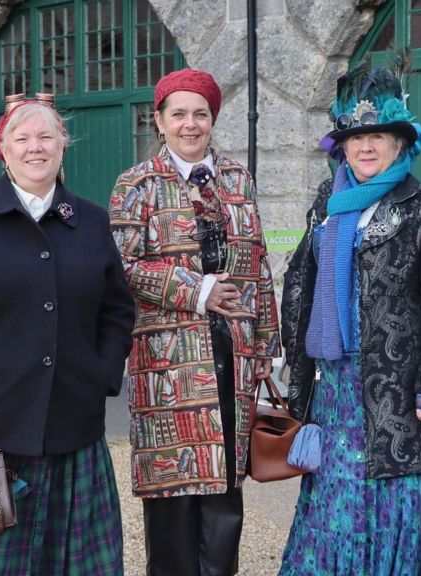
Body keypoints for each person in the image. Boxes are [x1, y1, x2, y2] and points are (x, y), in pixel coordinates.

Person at [0, 93, 135, 575]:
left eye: (46, 137)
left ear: (63, 147)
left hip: (73, 419)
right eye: (22, 138)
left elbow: (117, 310)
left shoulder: (92, 220)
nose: (34, 147)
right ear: (3, 150)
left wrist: (101, 373)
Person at [278, 62, 421, 575]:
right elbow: (301, 283)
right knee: (335, 512)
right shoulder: (328, 205)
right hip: (334, 387)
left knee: (396, 507)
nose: (365, 147)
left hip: (399, 394)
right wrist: (290, 364)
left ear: (400, 143)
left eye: (377, 135)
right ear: (341, 145)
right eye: (355, 136)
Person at [108, 68, 282, 575]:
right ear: (158, 121)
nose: (190, 124)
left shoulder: (237, 179)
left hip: (234, 354)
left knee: (225, 487)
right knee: (173, 487)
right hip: (167, 363)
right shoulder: (136, 185)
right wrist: (196, 290)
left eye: (200, 114)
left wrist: (268, 342)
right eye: (178, 114)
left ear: (212, 120)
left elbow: (259, 265)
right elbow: (120, 265)